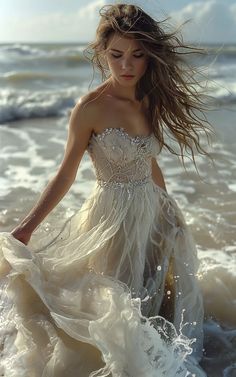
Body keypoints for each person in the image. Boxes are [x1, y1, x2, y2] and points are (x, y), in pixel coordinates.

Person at [0, 3, 213, 377]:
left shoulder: (148, 99)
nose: (126, 65)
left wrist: (168, 208)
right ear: (102, 53)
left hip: (150, 209)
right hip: (111, 218)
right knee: (116, 310)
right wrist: (27, 227)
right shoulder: (90, 109)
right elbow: (65, 175)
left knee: (152, 300)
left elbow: (149, 161)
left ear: (150, 57)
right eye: (116, 55)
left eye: (137, 55)